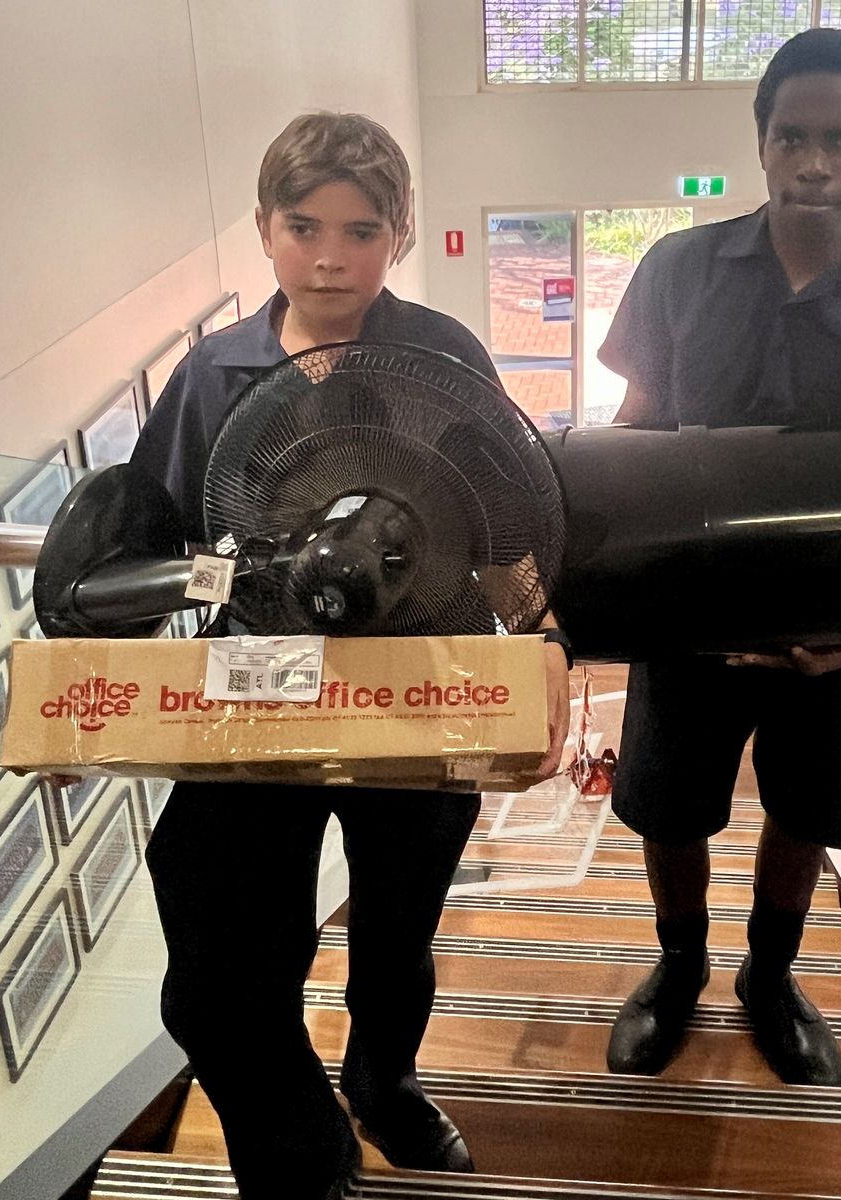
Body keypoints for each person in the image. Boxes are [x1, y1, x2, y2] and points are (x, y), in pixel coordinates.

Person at [131, 112, 571, 1200]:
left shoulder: (442, 358)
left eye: (361, 231)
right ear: (263, 230)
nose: (330, 257)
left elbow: (502, 526)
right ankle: (303, 1152)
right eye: (304, 227)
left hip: (423, 683)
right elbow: (152, 541)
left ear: (401, 234)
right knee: (220, 968)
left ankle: (385, 1081)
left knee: (398, 926)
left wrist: (545, 641)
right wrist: (84, 701)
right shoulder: (213, 375)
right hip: (259, 686)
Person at [597, 29, 841, 1086]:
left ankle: (769, 978)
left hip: (829, 639)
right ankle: (680, 967)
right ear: (761, 143)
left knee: (804, 814)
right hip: (688, 621)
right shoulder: (677, 272)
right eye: (792, 137)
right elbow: (635, 432)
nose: (815, 162)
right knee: (668, 809)